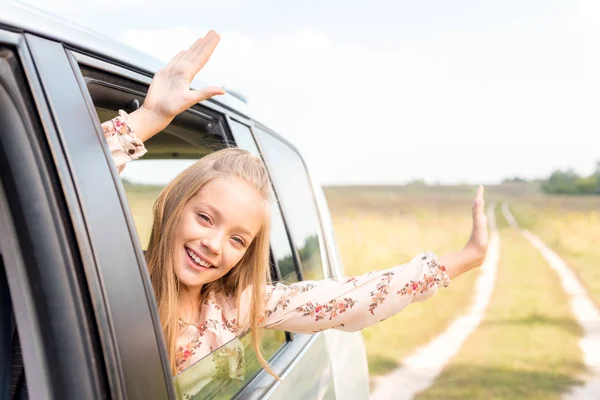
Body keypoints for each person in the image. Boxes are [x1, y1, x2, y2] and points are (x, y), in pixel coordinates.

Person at [102, 30, 488, 390]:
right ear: (173, 207)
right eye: (205, 218)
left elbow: (362, 295)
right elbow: (63, 176)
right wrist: (150, 117)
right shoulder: (109, 278)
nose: (214, 245)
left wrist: (468, 257)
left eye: (238, 239)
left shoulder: (240, 308)